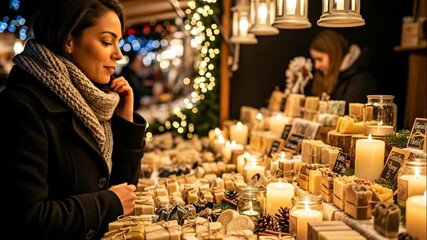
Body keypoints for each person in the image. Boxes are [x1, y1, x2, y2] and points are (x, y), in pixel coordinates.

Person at [0, 0, 147, 239]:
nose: (119, 54)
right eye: (107, 41)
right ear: (69, 40)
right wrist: (107, 203)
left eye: (118, 43)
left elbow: (124, 193)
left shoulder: (94, 102)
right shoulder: (22, 107)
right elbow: (28, 218)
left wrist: (125, 123)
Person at [306, 29, 378, 108]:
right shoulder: (323, 76)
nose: (316, 66)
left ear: (334, 55)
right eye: (314, 60)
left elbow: (349, 115)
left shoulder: (361, 80)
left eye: (320, 59)